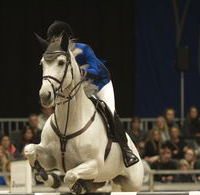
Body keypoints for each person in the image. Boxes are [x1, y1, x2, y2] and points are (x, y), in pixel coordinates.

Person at [44, 20, 139, 167]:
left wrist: (82, 72)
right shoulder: (56, 56)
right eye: (51, 40)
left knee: (109, 112)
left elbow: (95, 71)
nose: (53, 43)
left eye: (56, 39)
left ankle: (126, 150)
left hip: (100, 83)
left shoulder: (84, 49)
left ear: (65, 39)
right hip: (79, 87)